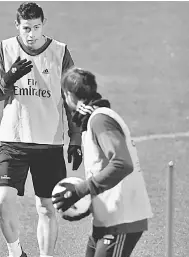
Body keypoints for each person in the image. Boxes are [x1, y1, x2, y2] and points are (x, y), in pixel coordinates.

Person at [0, 2, 82, 257]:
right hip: (13, 140)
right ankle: (15, 252)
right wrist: (8, 79)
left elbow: (71, 98)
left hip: (48, 144)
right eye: (26, 28)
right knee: (1, 202)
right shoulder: (5, 49)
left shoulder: (60, 52)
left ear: (44, 24)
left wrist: (75, 138)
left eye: (36, 27)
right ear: (17, 26)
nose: (31, 34)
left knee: (46, 208)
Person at [53, 67, 153, 257]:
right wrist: (87, 203)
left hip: (121, 219)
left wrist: (80, 190)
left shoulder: (100, 120)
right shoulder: (93, 117)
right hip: (106, 218)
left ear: (69, 95)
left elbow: (122, 163)